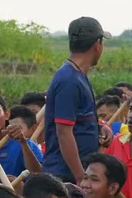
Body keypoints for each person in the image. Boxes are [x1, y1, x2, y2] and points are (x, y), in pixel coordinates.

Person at [42, 17, 105, 183]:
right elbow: (64, 132)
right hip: (65, 175)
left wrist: (100, 129)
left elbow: (79, 120)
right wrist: (80, 176)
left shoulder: (77, 76)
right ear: (97, 45)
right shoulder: (69, 80)